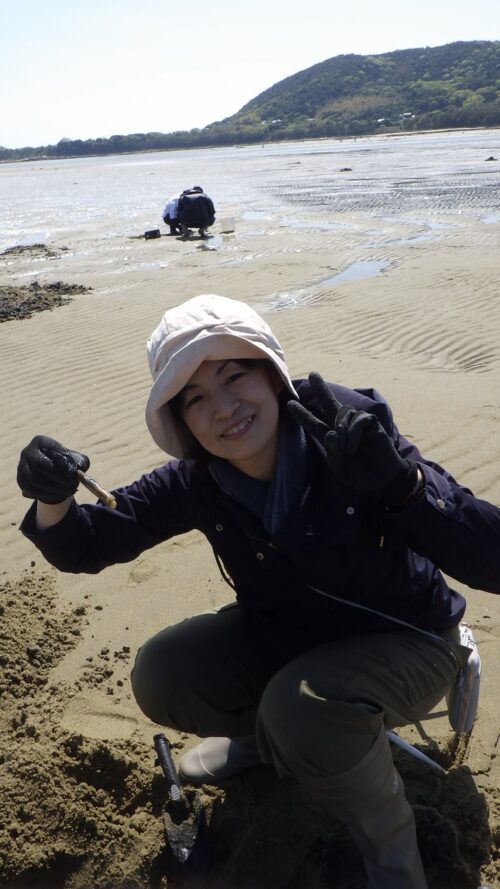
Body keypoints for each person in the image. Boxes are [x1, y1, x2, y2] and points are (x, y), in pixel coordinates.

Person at [17, 294, 500, 889]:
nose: (223, 408)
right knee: (165, 671)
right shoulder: (199, 479)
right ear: (183, 422)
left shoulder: (351, 435)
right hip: (291, 645)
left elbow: (491, 558)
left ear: (271, 373)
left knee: (302, 710)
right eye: (195, 398)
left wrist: (407, 487)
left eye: (233, 376)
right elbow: (87, 544)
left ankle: (394, 859)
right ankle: (266, 743)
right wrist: (52, 496)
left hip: (413, 642)